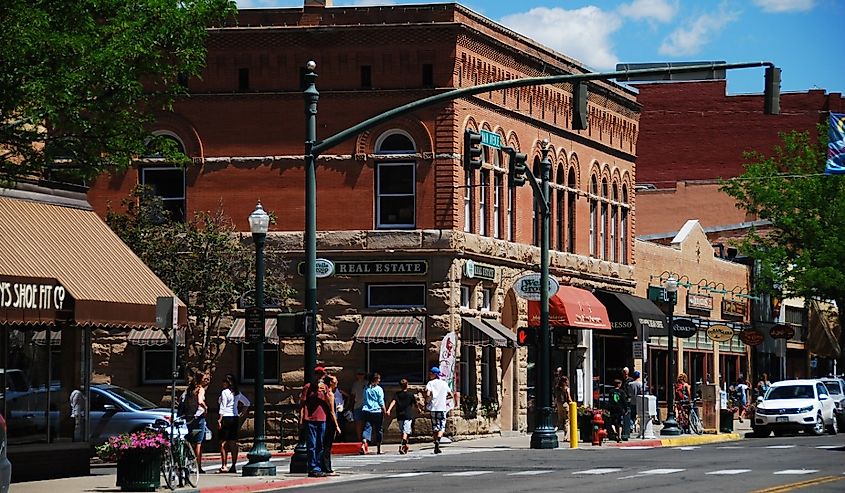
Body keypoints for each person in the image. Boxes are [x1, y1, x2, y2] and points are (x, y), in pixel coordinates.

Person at [300, 366, 330, 478]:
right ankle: (312, 467)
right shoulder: (308, 387)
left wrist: (324, 393)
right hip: (310, 419)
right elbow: (302, 404)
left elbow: (328, 403)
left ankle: (318, 466)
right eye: (317, 374)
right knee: (311, 444)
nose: (319, 377)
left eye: (321, 375)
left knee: (320, 445)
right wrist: (301, 418)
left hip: (322, 418)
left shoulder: (325, 387)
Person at [217, 373, 250, 474]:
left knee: (223, 443)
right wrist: (242, 413)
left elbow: (222, 406)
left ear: (228, 383)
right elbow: (247, 403)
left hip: (226, 418)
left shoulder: (224, 392)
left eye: (224, 381)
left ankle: (224, 465)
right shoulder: (237, 393)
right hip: (234, 418)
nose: (223, 383)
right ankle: (234, 465)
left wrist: (219, 419)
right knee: (232, 442)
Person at [180, 370, 209, 474]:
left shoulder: (189, 389)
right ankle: (198, 466)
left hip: (188, 417)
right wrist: (205, 408)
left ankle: (188, 463)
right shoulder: (200, 389)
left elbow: (182, 401)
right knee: (198, 443)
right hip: (198, 418)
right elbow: (200, 401)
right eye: (205, 378)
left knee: (189, 441)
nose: (206, 380)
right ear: (200, 379)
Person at [425, 366, 453, 454]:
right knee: (442, 426)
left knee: (434, 426)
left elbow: (428, 394)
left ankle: (435, 442)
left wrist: (427, 400)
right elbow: (451, 394)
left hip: (433, 407)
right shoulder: (444, 383)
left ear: (434, 374)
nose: (429, 375)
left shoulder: (430, 383)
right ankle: (438, 440)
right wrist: (444, 398)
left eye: (431, 373)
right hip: (442, 407)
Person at [386, 378, 416, 454]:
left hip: (400, 415)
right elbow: (415, 404)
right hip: (407, 415)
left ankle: (405, 445)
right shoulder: (410, 395)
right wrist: (419, 409)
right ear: (407, 385)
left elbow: (393, 402)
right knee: (406, 431)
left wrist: (389, 410)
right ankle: (403, 444)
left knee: (403, 431)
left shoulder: (397, 394)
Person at [321, 374, 342, 475]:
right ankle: (327, 468)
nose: (336, 383)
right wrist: (337, 425)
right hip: (330, 423)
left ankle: (325, 466)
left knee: (325, 445)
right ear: (330, 383)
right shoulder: (330, 395)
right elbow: (332, 411)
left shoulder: (327, 393)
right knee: (327, 446)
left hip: (326, 421)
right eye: (335, 381)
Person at [360, 372, 386, 455]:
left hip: (366, 410)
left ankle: (364, 442)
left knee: (367, 427)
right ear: (375, 379)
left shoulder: (366, 388)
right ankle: (379, 448)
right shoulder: (378, 389)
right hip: (377, 411)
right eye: (378, 379)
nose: (379, 380)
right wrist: (384, 410)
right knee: (378, 430)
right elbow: (381, 401)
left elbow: (363, 398)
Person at [349, 369, 367, 441]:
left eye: (362, 374)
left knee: (366, 423)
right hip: (357, 405)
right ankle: (359, 438)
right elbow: (352, 395)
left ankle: (365, 438)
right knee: (358, 423)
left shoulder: (367, 383)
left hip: (366, 405)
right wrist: (350, 406)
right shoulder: (355, 384)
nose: (360, 376)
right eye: (359, 374)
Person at [626, 371, 643, 437]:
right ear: (639, 376)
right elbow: (641, 392)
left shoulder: (630, 384)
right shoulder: (640, 384)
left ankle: (631, 426)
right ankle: (637, 426)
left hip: (632, 401)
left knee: (632, 416)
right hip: (639, 402)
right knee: (639, 415)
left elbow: (628, 392)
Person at [621, 367, 633, 439]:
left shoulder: (630, 380)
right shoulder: (622, 380)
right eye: (623, 372)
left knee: (629, 413)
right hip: (623, 398)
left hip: (629, 399)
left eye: (625, 372)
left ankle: (630, 427)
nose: (624, 374)